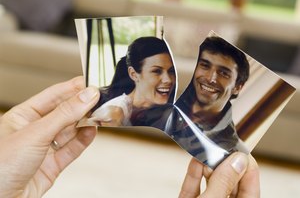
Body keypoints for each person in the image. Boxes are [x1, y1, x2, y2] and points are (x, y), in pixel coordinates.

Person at [0, 77, 259, 197]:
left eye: (169, 73)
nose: (167, 81)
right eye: (157, 71)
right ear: (135, 75)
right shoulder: (117, 108)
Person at [132, 36, 250, 169]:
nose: (211, 78)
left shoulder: (234, 153)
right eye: (205, 66)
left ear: (237, 87)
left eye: (223, 73)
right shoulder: (159, 103)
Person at [87, 36, 176, 127]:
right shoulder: (115, 111)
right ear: (133, 74)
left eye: (171, 71)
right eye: (157, 71)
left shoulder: (158, 112)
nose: (168, 79)